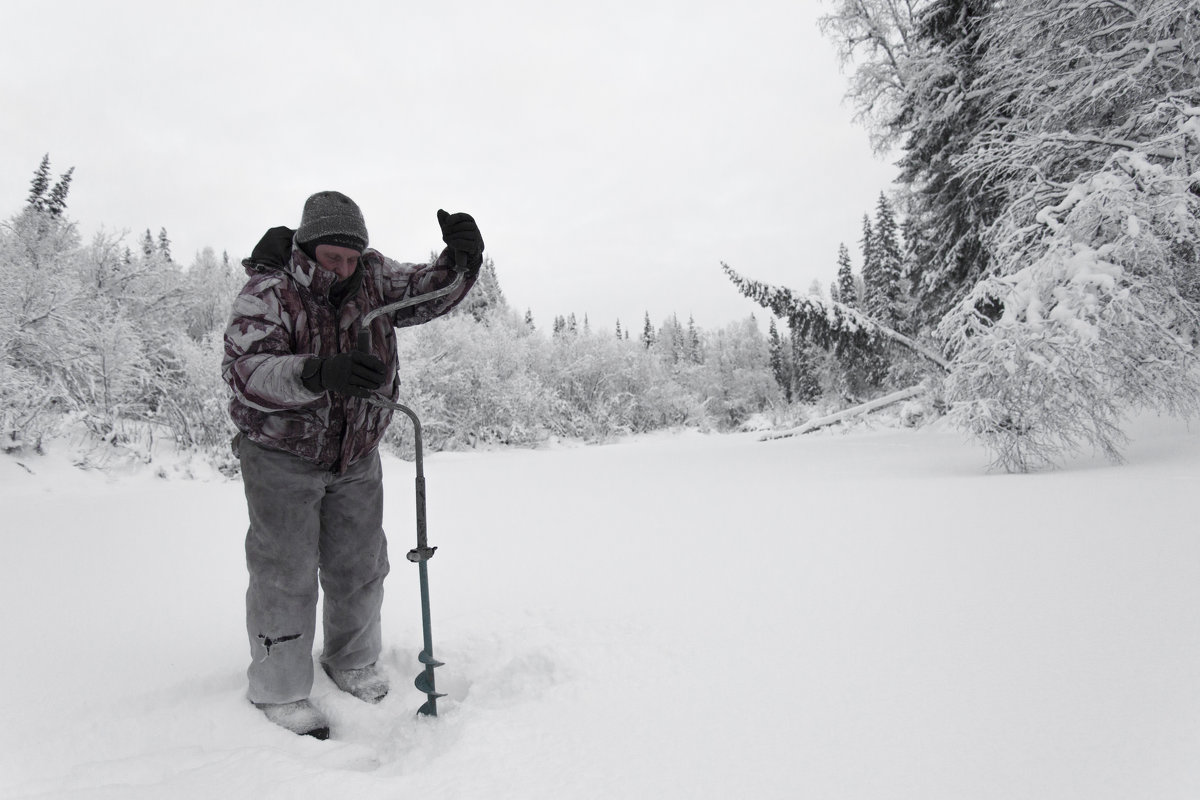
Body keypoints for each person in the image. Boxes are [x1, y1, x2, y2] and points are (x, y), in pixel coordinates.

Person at [222, 191, 483, 738]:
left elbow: (425, 293)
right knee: (285, 572)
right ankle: (281, 688)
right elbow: (248, 370)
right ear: (307, 247)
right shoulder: (269, 291)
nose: (342, 268)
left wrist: (461, 261)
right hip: (281, 453)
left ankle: (352, 659)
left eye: (350, 257)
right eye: (331, 257)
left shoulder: (371, 278)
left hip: (356, 452)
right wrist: (318, 372)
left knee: (361, 565)